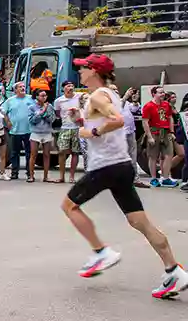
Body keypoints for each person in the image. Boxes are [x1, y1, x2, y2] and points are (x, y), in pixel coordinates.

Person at [59, 54, 188, 299]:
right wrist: (81, 121)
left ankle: (100, 252)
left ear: (95, 71)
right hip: (122, 165)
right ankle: (174, 270)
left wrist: (92, 130)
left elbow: (115, 120)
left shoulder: (98, 95)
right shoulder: (111, 94)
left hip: (105, 166)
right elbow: (102, 120)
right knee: (140, 222)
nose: (80, 73)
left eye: (83, 68)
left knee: (69, 206)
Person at [142, 86, 179, 187]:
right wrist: (149, 136)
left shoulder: (166, 105)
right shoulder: (148, 106)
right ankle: (154, 178)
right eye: (160, 92)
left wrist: (171, 132)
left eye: (163, 92)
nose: (163, 94)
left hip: (166, 132)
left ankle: (166, 177)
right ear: (154, 94)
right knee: (153, 156)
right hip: (154, 132)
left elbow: (170, 118)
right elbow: (145, 122)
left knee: (168, 155)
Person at [1, 82, 37, 181]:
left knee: (29, 153)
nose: (22, 88)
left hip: (29, 130)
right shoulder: (10, 101)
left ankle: (29, 172)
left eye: (23, 87)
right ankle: (14, 172)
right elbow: (3, 111)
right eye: (20, 87)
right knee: (14, 153)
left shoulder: (31, 99)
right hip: (15, 130)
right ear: (15, 90)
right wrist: (7, 121)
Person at [53, 82, 84, 183]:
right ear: (63, 89)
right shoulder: (59, 101)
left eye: (72, 86)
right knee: (62, 151)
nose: (70, 88)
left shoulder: (79, 97)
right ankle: (61, 176)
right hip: (65, 127)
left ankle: (72, 176)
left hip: (77, 127)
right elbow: (57, 114)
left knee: (75, 152)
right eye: (68, 86)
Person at [29, 89, 56, 182]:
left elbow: (52, 119)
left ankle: (46, 176)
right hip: (36, 132)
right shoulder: (32, 107)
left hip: (47, 132)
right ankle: (31, 176)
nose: (44, 97)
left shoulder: (50, 106)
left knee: (47, 155)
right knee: (33, 154)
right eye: (42, 96)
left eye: (45, 96)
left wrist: (46, 113)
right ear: (37, 97)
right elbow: (32, 120)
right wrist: (41, 112)